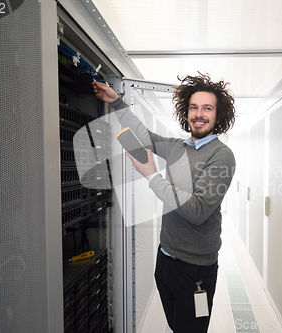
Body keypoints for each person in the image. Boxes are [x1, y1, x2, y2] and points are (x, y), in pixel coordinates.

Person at [92, 72, 236, 333]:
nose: (199, 114)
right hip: (166, 258)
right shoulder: (179, 147)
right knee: (176, 326)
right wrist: (116, 102)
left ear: (218, 114)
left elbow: (198, 211)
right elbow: (144, 135)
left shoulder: (221, 156)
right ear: (186, 111)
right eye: (194, 107)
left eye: (207, 108)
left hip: (195, 271)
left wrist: (151, 176)